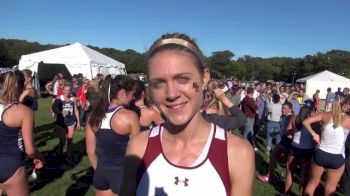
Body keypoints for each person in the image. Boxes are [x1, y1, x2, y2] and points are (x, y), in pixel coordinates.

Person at [121, 33, 254, 196]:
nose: (171, 94)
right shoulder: (138, 146)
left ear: (204, 78)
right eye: (158, 83)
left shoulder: (237, 152)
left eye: (183, 79)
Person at [86, 75, 140, 196]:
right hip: (122, 174)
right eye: (132, 94)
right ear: (122, 93)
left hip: (101, 172)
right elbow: (138, 151)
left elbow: (90, 151)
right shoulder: (130, 116)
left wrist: (100, 170)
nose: (134, 97)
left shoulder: (94, 116)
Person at [0, 68, 43, 196]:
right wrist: (40, 158)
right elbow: (30, 149)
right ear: (20, 86)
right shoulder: (23, 111)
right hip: (11, 166)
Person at [303, 96, 350, 196]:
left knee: (312, 183)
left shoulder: (324, 115)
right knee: (330, 189)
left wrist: (314, 134)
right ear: (346, 105)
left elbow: (305, 122)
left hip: (320, 153)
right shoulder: (348, 120)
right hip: (337, 157)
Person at [284, 100, 316, 195]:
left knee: (290, 172)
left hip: (294, 148)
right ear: (311, 110)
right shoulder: (314, 121)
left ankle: (287, 193)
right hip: (307, 150)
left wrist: (294, 134)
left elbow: (287, 133)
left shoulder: (294, 118)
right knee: (304, 175)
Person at [258, 102, 294, 182]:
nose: (283, 110)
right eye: (282, 108)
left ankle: (270, 177)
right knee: (275, 158)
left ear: (290, 109)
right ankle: (272, 176)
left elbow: (292, 131)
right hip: (283, 141)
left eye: (285, 109)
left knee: (276, 158)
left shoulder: (290, 118)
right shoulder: (284, 116)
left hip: (287, 143)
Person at [52, 84, 80, 163]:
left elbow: (76, 110)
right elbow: (53, 108)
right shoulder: (59, 98)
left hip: (71, 121)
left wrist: (78, 122)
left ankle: (68, 156)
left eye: (69, 90)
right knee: (63, 140)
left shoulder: (73, 99)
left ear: (71, 91)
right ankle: (60, 152)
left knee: (70, 140)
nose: (67, 92)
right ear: (63, 90)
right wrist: (60, 112)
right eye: (66, 90)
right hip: (62, 122)